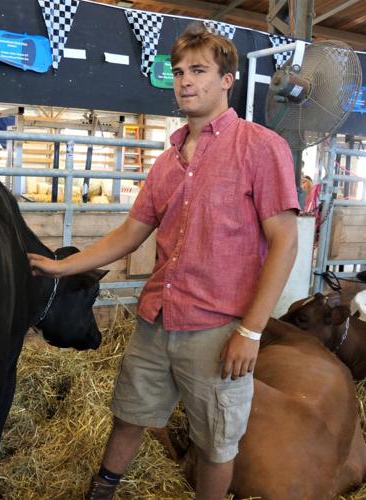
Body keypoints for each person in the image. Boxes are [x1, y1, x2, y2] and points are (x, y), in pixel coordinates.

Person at [28, 23, 299, 500]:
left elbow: (285, 243)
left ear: (226, 79)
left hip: (218, 327)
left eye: (198, 70)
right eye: (178, 72)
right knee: (130, 414)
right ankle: (102, 492)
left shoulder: (260, 147)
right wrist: (58, 267)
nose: (185, 81)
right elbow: (130, 233)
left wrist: (251, 332)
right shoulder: (168, 160)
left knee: (216, 442)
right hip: (157, 318)